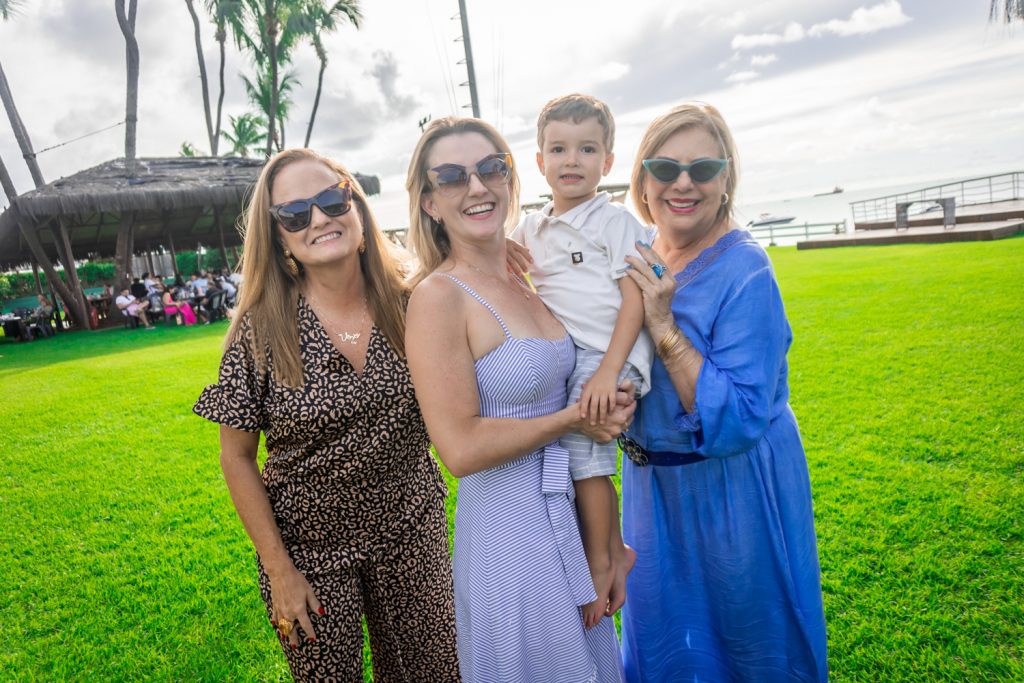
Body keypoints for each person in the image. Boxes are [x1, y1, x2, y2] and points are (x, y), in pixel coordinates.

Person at [193, 148, 459, 682]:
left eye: (331, 200)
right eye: (294, 214)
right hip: (307, 550)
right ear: (278, 236)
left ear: (354, 203)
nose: (317, 219)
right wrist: (279, 570)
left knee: (435, 673)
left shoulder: (416, 303)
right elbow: (236, 458)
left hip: (411, 528)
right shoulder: (260, 329)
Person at [404, 116, 634, 682]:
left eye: (491, 168)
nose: (476, 186)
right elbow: (459, 449)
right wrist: (575, 420)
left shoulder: (528, 274)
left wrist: (606, 545)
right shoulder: (438, 297)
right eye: (452, 177)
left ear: (511, 177)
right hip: (510, 538)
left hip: (572, 521)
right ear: (430, 202)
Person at [619, 102, 828, 682]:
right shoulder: (638, 250)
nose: (683, 183)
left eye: (703, 168)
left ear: (726, 178)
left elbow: (738, 418)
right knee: (662, 638)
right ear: (642, 180)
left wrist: (663, 327)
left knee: (746, 640)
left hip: (732, 490)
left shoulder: (747, 270)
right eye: (665, 168)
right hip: (651, 489)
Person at [509, 94, 652, 629]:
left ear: (607, 162)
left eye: (587, 149)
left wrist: (611, 370)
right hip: (575, 356)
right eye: (559, 149)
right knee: (579, 459)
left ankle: (601, 561)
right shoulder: (531, 228)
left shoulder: (613, 222)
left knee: (584, 457)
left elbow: (635, 298)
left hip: (612, 351)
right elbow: (497, 257)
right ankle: (613, 549)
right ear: (539, 161)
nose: (572, 160)